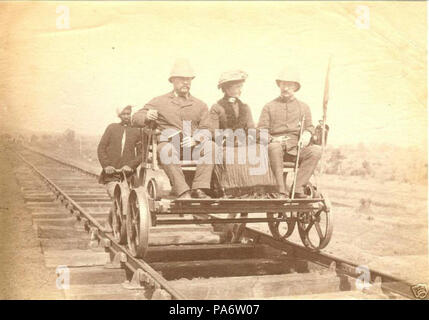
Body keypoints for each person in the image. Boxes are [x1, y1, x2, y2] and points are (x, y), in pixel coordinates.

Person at [132, 59, 215, 199]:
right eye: (182, 79)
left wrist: (196, 139)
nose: (186, 83)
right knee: (166, 150)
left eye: (189, 80)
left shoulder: (200, 105)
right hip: (170, 145)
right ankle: (183, 191)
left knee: (211, 146)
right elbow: (136, 118)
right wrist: (146, 115)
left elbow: (207, 128)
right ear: (172, 80)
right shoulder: (159, 101)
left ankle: (199, 189)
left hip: (192, 147)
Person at [200, 69, 278, 198]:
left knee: (258, 150)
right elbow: (213, 130)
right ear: (227, 88)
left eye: (240, 86)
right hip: (225, 143)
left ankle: (258, 191)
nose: (240, 90)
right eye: (237, 87)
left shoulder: (245, 107)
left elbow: (251, 128)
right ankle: (233, 191)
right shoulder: (216, 107)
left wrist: (265, 139)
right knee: (231, 154)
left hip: (244, 142)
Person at [258, 67, 321, 198]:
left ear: (296, 87)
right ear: (279, 85)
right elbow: (260, 131)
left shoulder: (304, 107)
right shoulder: (269, 106)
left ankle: (297, 188)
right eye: (283, 84)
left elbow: (310, 126)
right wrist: (273, 140)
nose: (286, 88)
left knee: (316, 150)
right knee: (274, 147)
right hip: (274, 150)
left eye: (289, 85)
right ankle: (280, 191)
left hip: (296, 150)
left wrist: (307, 134)